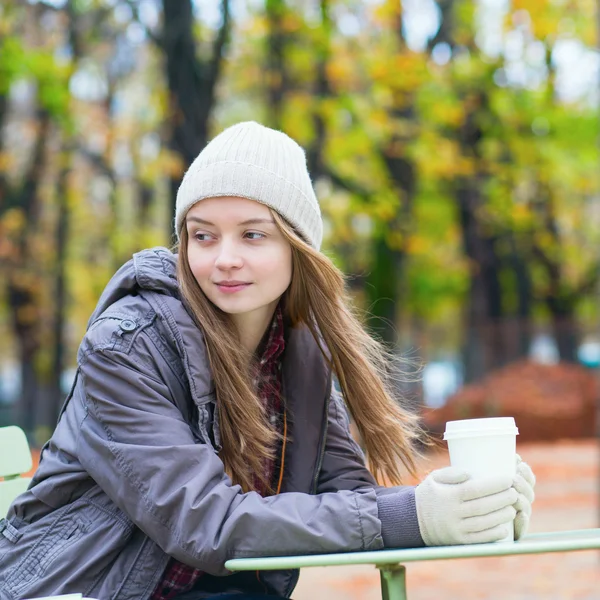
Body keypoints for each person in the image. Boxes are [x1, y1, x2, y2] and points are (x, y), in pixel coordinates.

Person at [0, 122, 535, 600]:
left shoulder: (300, 352)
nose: (224, 257)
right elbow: (205, 521)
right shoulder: (126, 346)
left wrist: (473, 503)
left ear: (297, 248)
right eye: (202, 235)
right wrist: (413, 516)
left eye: (253, 234)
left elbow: (349, 501)